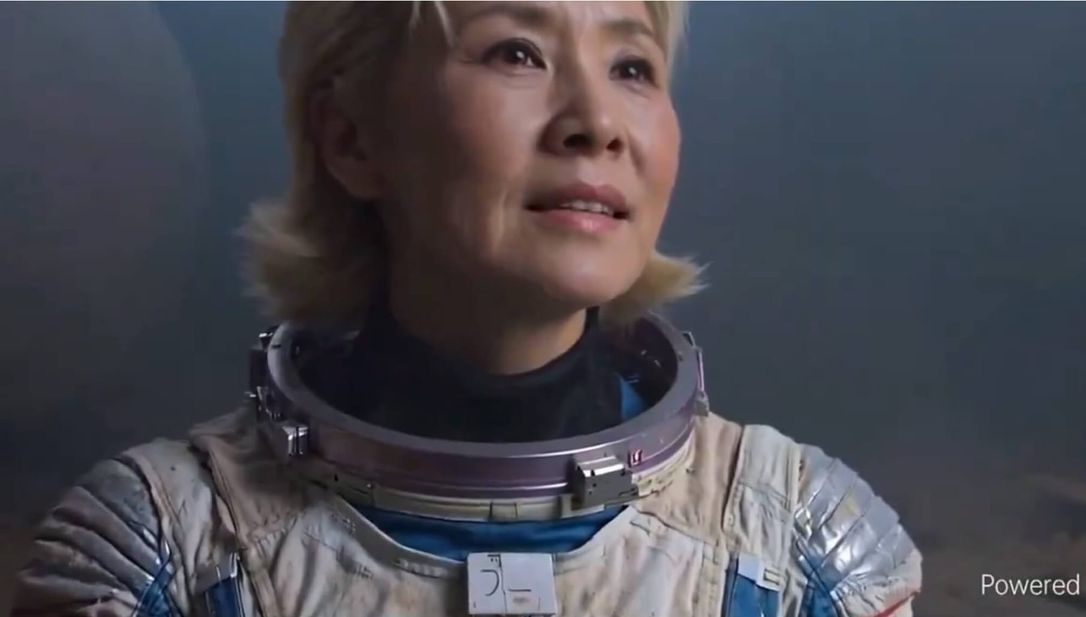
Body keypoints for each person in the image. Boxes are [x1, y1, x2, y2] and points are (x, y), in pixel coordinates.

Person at [11, 2, 922, 616]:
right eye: (516, 52)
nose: (597, 122)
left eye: (632, 65)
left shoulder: (801, 553)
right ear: (351, 136)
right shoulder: (159, 558)